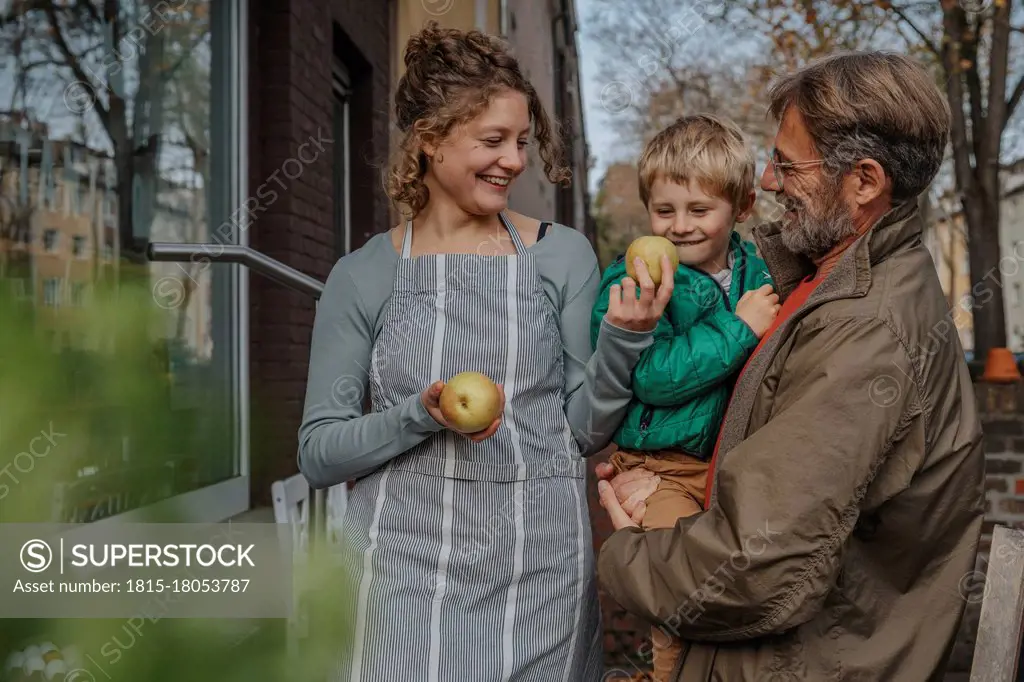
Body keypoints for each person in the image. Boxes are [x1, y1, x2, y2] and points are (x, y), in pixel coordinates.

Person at [297, 22, 671, 681]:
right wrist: (421, 414)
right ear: (430, 140)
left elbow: (581, 431)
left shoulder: (561, 254)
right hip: (401, 572)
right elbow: (319, 454)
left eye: (522, 141)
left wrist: (627, 338)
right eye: (493, 140)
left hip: (542, 568)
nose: (516, 160)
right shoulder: (364, 274)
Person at [595, 51, 985, 681]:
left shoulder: (865, 327)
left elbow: (754, 564)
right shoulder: (824, 280)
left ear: (863, 182)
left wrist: (627, 549)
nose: (770, 182)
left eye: (786, 164)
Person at [589, 114, 778, 681]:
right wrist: (738, 330)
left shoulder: (759, 273)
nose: (679, 227)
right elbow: (648, 375)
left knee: (745, 585)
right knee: (677, 588)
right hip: (664, 468)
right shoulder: (636, 278)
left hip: (731, 464)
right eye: (664, 210)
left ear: (741, 208)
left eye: (700, 211)